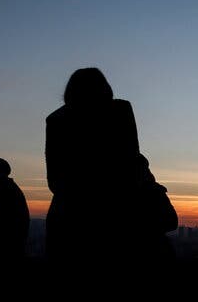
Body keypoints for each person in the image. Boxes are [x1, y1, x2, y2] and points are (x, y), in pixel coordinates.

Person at [45, 67, 169, 265]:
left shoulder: (56, 119)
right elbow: (130, 160)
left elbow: (55, 179)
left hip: (71, 214)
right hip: (116, 213)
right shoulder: (120, 111)